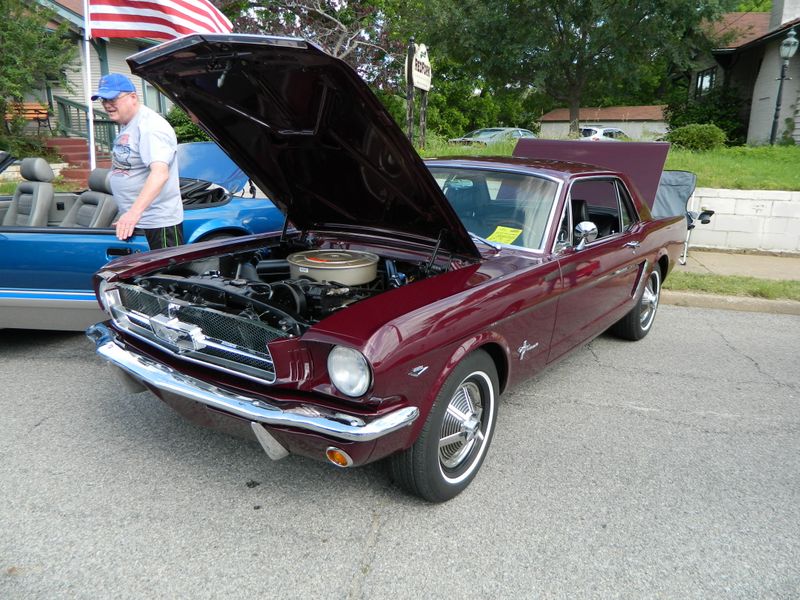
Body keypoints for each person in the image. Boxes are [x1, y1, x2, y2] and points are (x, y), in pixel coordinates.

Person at [91, 73, 184, 249]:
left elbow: (160, 174)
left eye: (113, 99)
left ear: (133, 97)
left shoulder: (151, 127)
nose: (107, 104)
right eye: (104, 100)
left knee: (165, 267)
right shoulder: (129, 124)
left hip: (157, 224)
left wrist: (133, 213)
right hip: (137, 221)